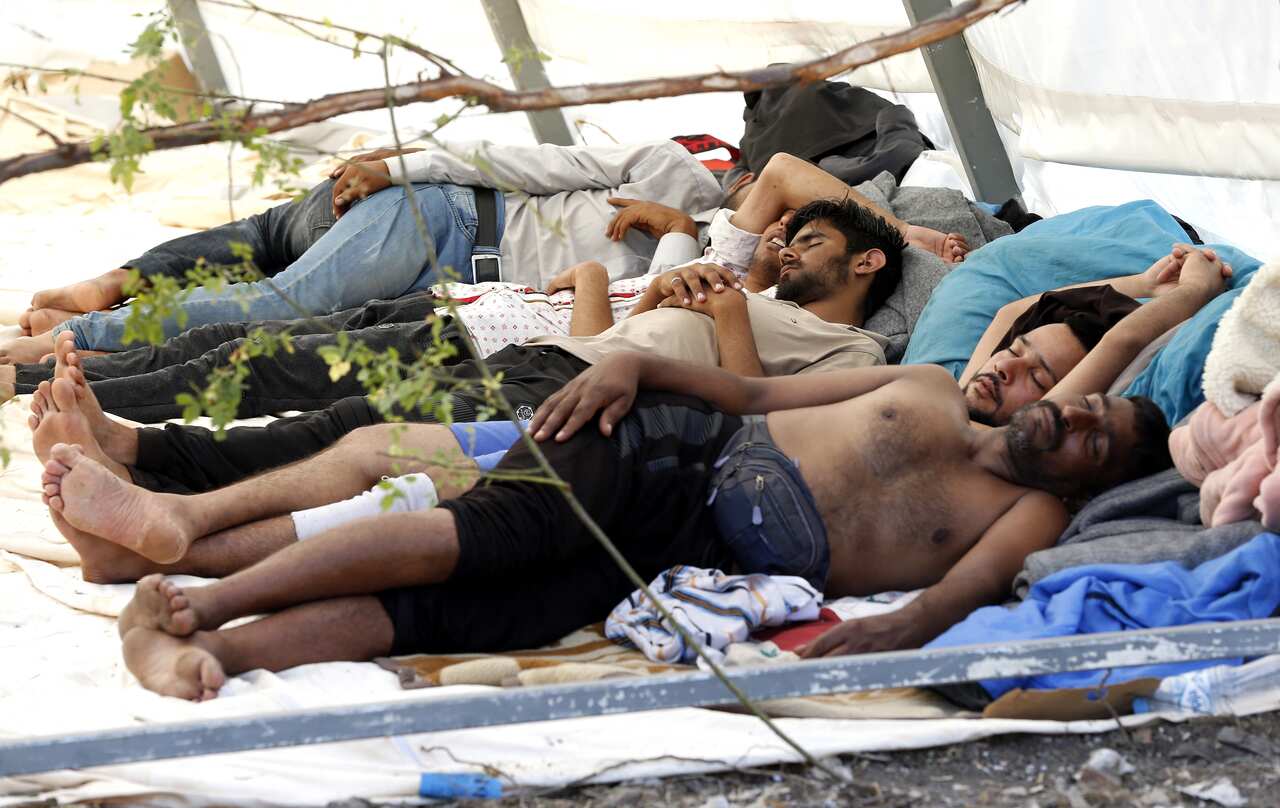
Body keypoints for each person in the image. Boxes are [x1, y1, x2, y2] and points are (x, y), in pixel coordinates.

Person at [41, 342, 1170, 700]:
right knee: (489, 534)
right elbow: (754, 391)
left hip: (691, 552)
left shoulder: (1023, 512)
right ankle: (197, 599)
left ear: (1089, 482)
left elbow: (950, 598)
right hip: (663, 445)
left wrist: (894, 633)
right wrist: (631, 360)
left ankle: (216, 652)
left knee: (482, 615)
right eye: (1083, 403)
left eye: (1093, 435)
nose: (1071, 415)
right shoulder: (922, 385)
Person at [30, 198, 903, 496]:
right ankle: (126, 434)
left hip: (567, 392)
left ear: (866, 263)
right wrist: (663, 299)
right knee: (301, 377)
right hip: (547, 356)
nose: (788, 251)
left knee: (344, 426)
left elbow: (763, 423)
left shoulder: (857, 354)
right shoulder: (741, 292)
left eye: (811, 243)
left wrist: (726, 315)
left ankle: (139, 450)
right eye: (789, 239)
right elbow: (607, 337)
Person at [0, 143, 964, 363]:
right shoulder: (671, 169)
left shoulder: (714, 249)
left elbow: (637, 302)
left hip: (462, 282)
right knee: (285, 294)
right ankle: (83, 323)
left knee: (273, 262)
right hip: (453, 221)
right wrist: (404, 165)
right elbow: (522, 159)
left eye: (799, 233)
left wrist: (673, 231)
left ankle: (97, 305)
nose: (780, 233)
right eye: (788, 222)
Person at [956, 244, 1233, 425]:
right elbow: (1009, 315)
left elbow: (1121, 343)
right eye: (1014, 350)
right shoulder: (955, 399)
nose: (1003, 367)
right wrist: (1148, 284)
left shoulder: (992, 443)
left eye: (1037, 378)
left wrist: (1190, 290)